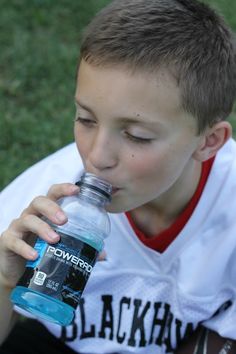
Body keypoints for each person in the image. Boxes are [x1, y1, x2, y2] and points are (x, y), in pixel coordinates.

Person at [0, 0, 236, 352]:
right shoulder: (44, 202)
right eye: (86, 119)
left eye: (137, 136)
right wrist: (4, 280)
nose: (97, 156)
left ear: (208, 142)